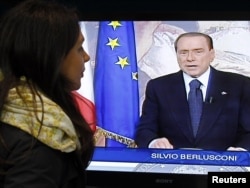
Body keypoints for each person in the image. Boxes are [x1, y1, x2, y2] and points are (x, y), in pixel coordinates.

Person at [0, 0, 95, 187]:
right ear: (53, 56)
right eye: (79, 48)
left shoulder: (11, 105)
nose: (86, 57)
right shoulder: (42, 137)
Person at [135, 32, 250, 151]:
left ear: (212, 54)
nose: (190, 58)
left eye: (198, 51)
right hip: (172, 166)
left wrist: (241, 150)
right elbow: (145, 129)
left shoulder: (239, 85)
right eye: (183, 52)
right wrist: (154, 142)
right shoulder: (158, 87)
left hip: (225, 166)